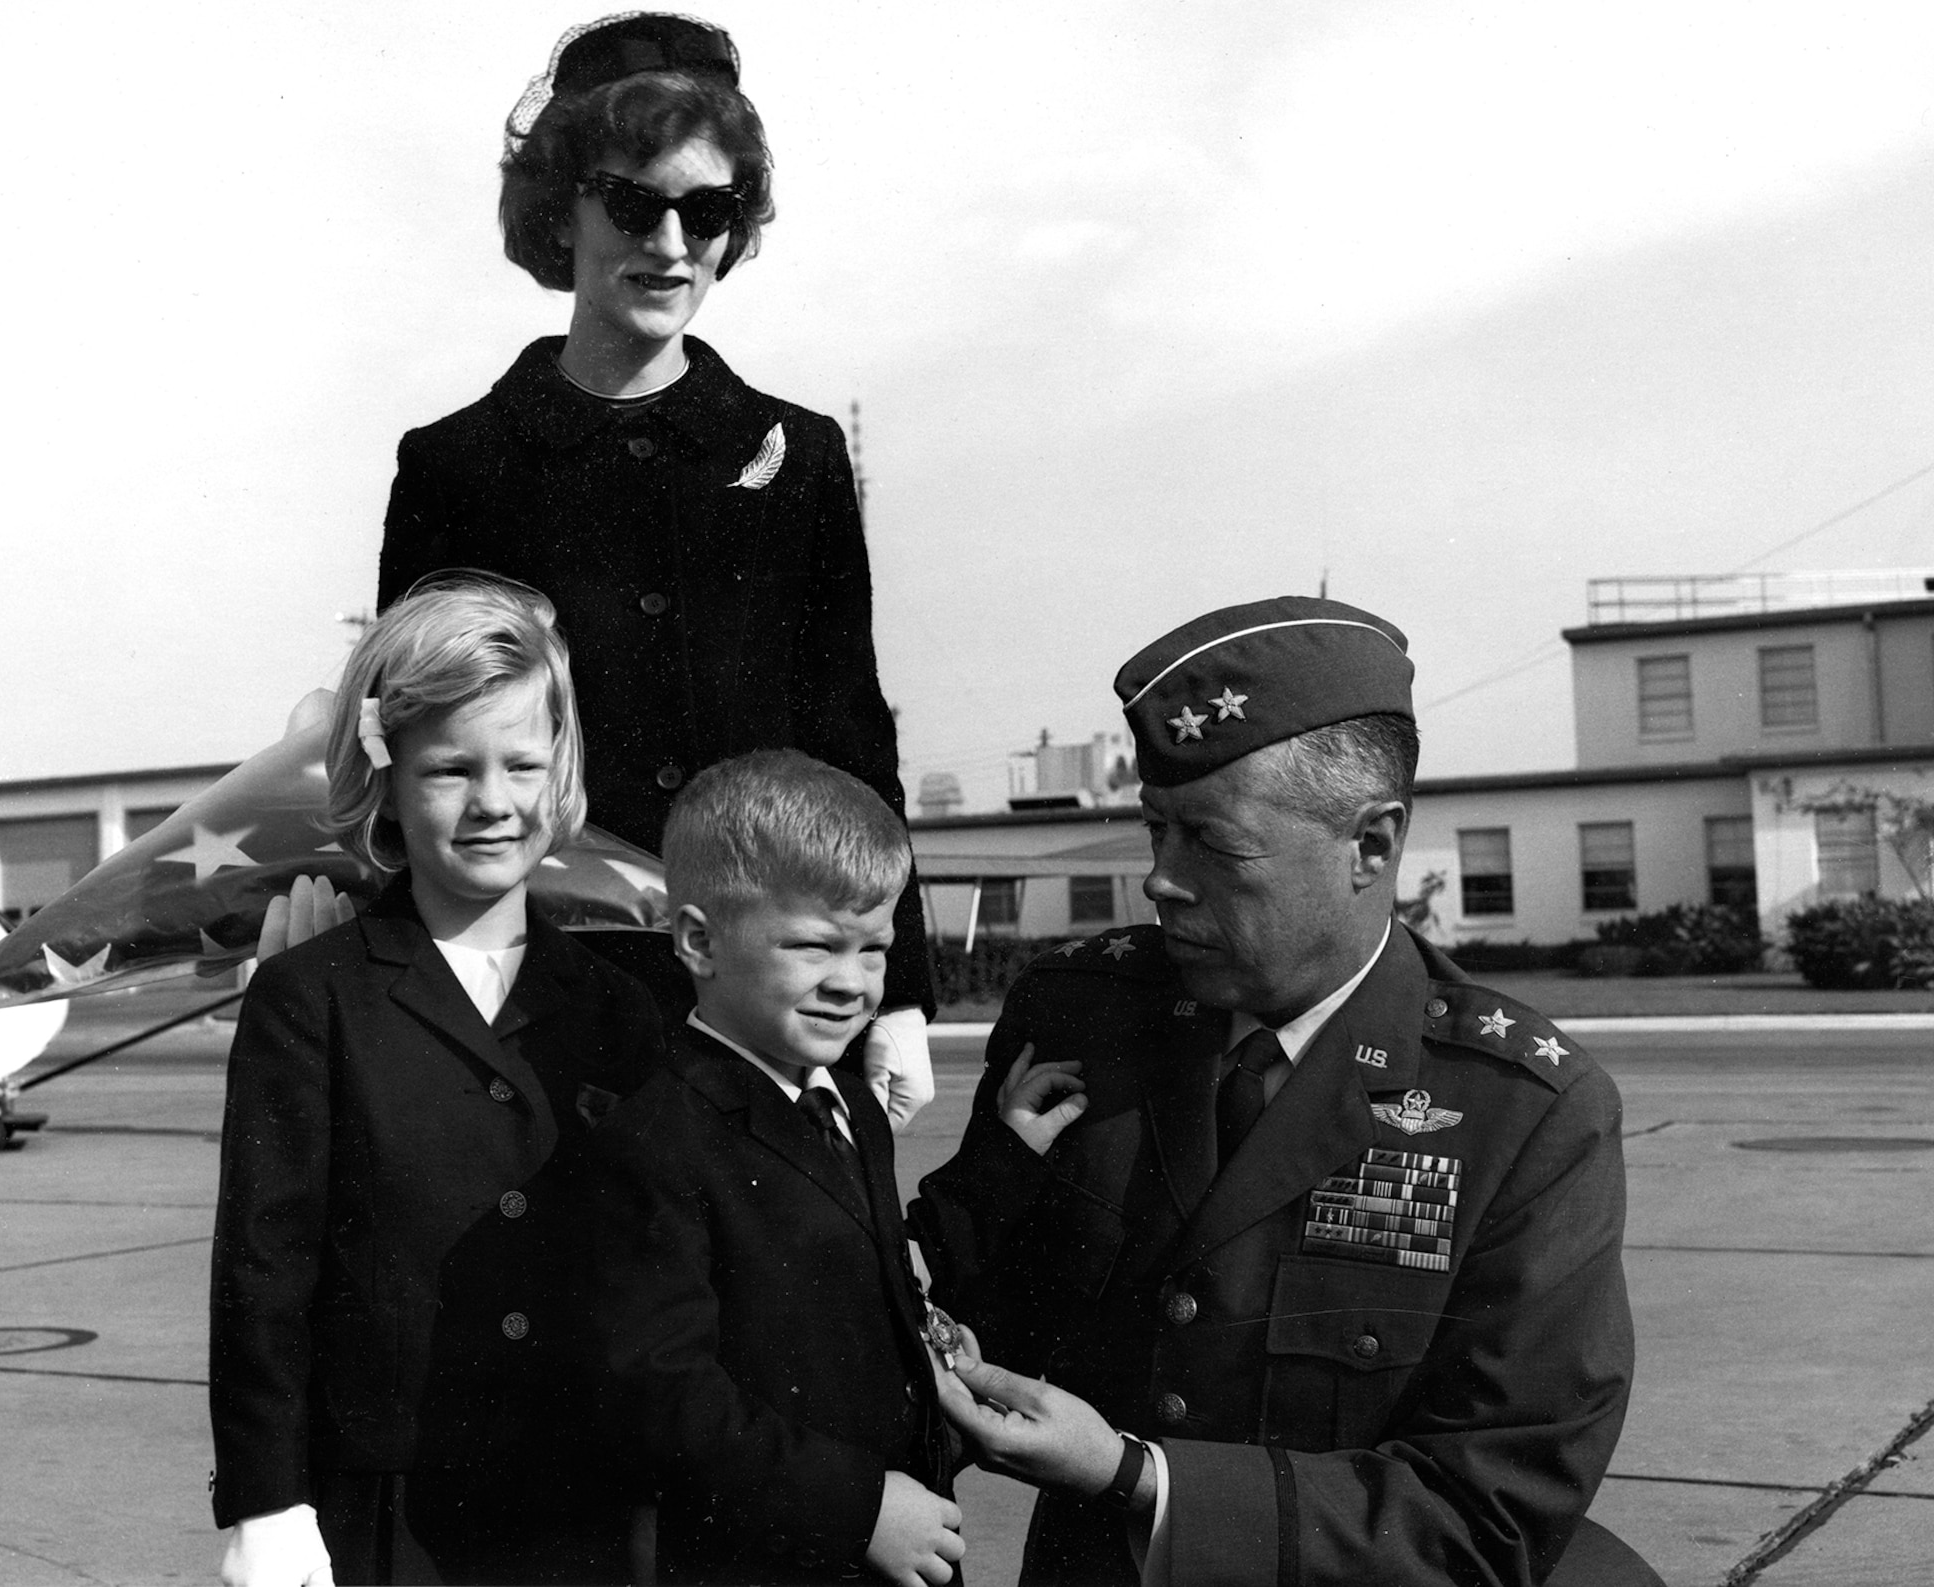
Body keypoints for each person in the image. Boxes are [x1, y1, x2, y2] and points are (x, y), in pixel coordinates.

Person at [912, 597, 1662, 1586]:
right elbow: (961, 1318)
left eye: (1213, 846)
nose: (1159, 882)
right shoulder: (1081, 1017)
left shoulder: (1521, 1112)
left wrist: (1139, 1478)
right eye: (1154, 831)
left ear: (1369, 845)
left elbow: (1490, 1513)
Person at [373, 13, 934, 1127]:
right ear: (561, 209)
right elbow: (412, 744)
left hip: (767, 994)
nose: (671, 243)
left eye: (707, 211)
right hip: (534, 1002)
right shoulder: (455, 468)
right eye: (633, 202)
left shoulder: (797, 457)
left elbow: (849, 736)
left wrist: (900, 992)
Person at [209, 575, 667, 1586]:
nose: (494, 802)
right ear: (384, 779)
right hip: (382, 1513)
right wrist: (264, 1500)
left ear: (562, 773)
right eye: (450, 770)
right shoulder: (309, 1001)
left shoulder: (620, 1012)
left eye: (522, 764)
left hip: (582, 1503)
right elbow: (261, 1272)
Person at [586, 750, 963, 1585]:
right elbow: (662, 1394)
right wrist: (858, 1506)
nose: (852, 984)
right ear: (697, 940)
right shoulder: (655, 1137)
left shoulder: (852, 1106)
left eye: (874, 950)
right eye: (814, 945)